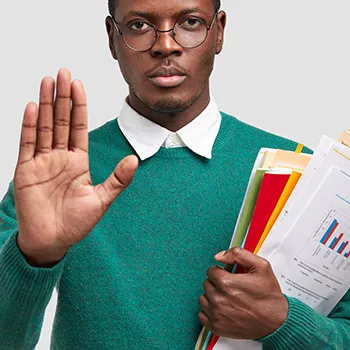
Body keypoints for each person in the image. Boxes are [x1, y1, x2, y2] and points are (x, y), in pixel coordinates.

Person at [0, 0, 349, 348]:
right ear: (112, 37)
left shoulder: (301, 171)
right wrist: (33, 256)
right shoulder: (54, 177)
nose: (166, 45)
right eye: (138, 25)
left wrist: (284, 323)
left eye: (191, 22)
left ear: (219, 31)